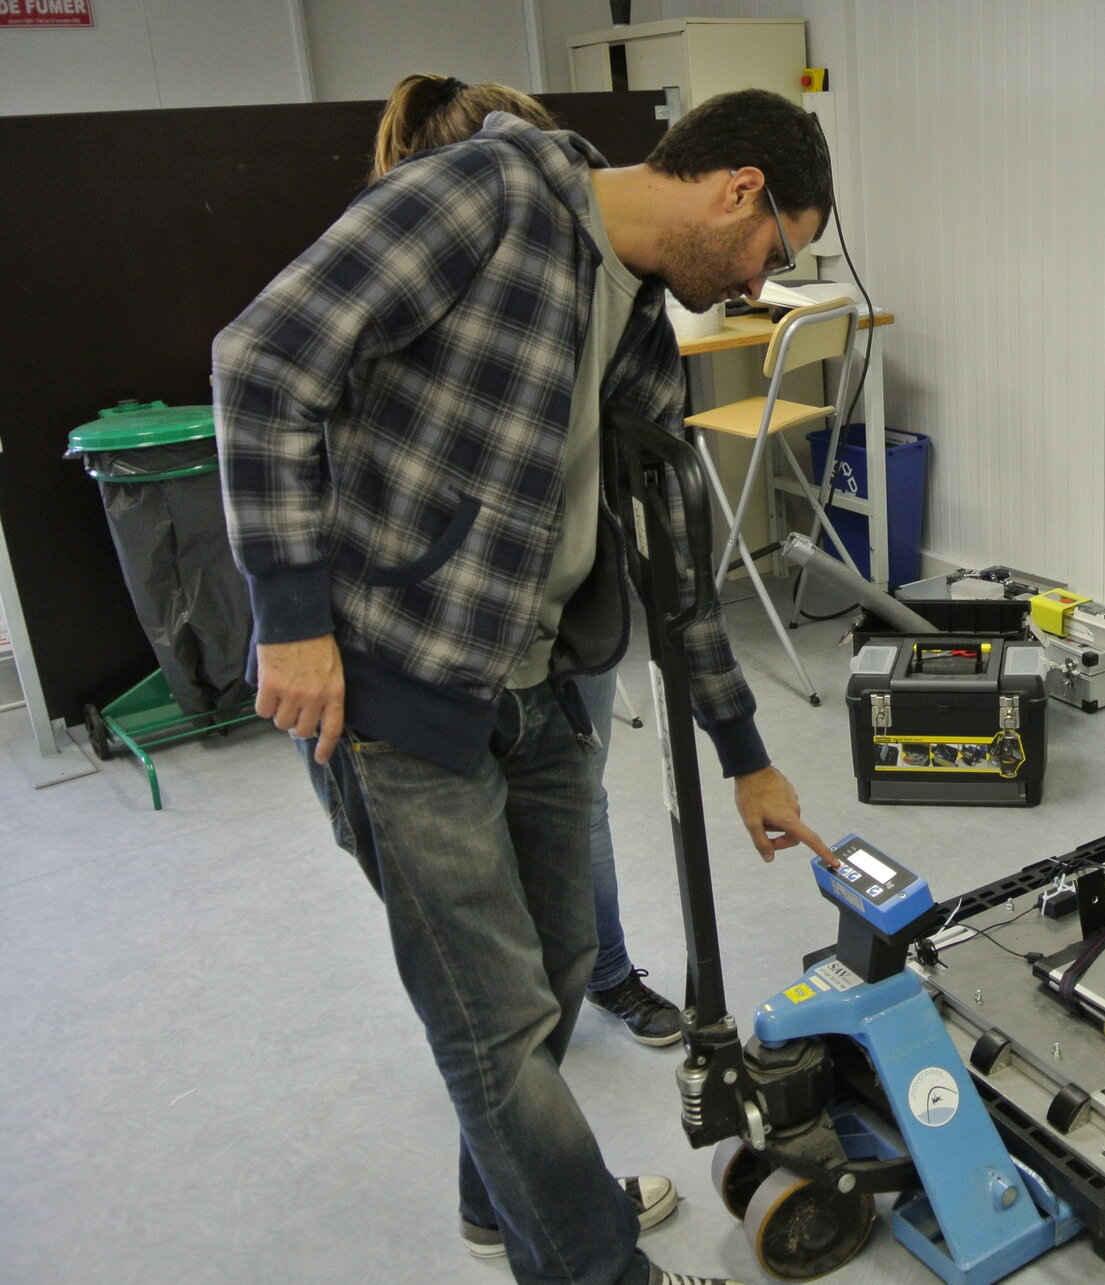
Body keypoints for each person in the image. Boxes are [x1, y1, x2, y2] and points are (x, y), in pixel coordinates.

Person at [213, 85, 837, 1285]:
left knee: (548, 983)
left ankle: (505, 1203)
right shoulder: (487, 199)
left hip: (539, 683)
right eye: (774, 248)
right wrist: (290, 618)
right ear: (738, 189)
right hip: (392, 692)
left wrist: (746, 752)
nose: (763, 282)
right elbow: (262, 360)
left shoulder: (641, 322)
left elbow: (677, 565)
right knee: (493, 1024)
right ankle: (597, 1268)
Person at [370, 73, 683, 1049]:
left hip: (556, 614)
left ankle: (604, 972)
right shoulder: (420, 276)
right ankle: (509, 1034)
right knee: (464, 884)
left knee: (571, 804)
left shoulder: (597, 286)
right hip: (424, 635)